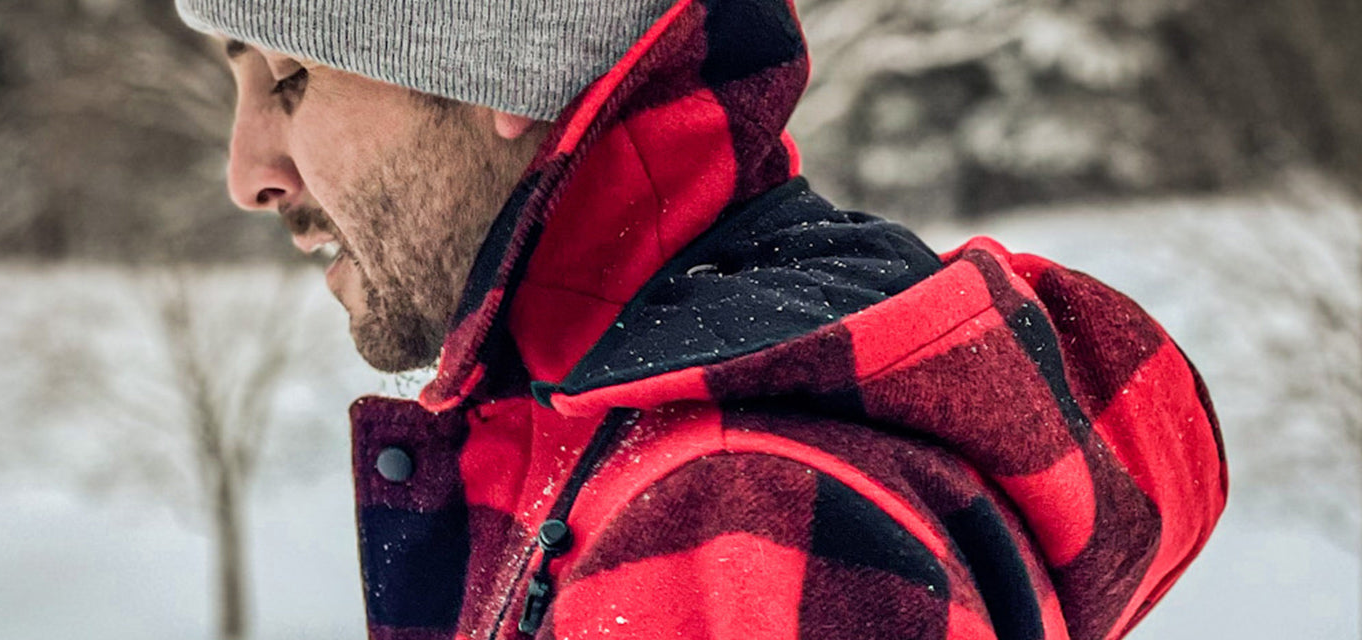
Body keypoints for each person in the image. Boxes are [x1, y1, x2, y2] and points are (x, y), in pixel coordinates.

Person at [175, 0, 1229, 637]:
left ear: (510, 57)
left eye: (293, 78)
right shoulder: (630, 436)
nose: (246, 175)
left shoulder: (732, 523)